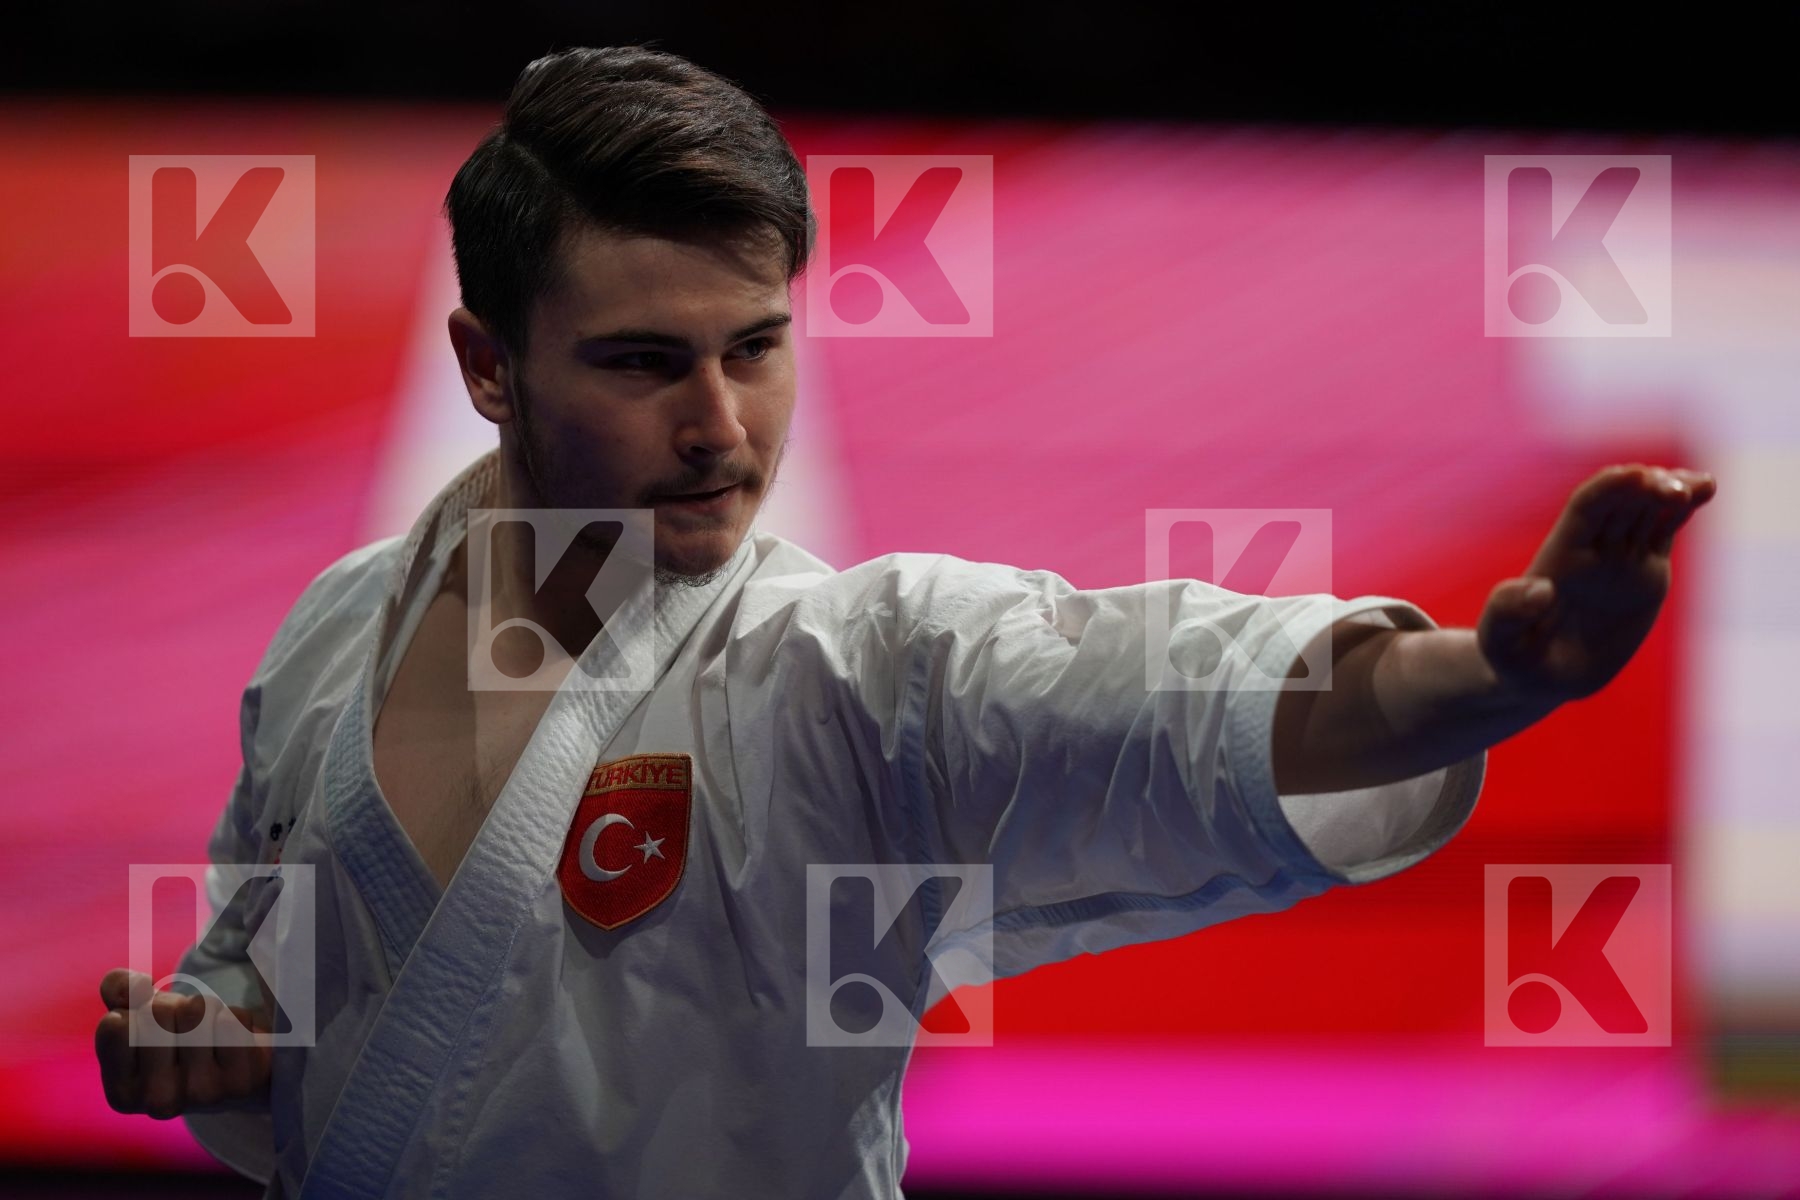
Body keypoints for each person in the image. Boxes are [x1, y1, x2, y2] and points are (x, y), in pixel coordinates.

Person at [93, 44, 1716, 1199]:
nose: (723, 428)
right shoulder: (337, 628)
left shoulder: (849, 665)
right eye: (646, 364)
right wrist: (211, 1026)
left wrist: (1491, 674)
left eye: (757, 347)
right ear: (488, 366)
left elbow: (1169, 694)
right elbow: (279, 964)